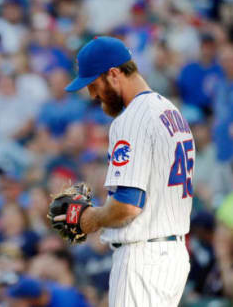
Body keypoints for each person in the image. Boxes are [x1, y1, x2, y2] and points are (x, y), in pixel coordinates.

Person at [54, 36, 194, 306]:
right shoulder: (170, 111)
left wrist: (89, 219)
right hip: (171, 255)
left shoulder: (131, 119)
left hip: (143, 258)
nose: (92, 95)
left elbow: (127, 206)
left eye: (93, 85)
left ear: (114, 74)